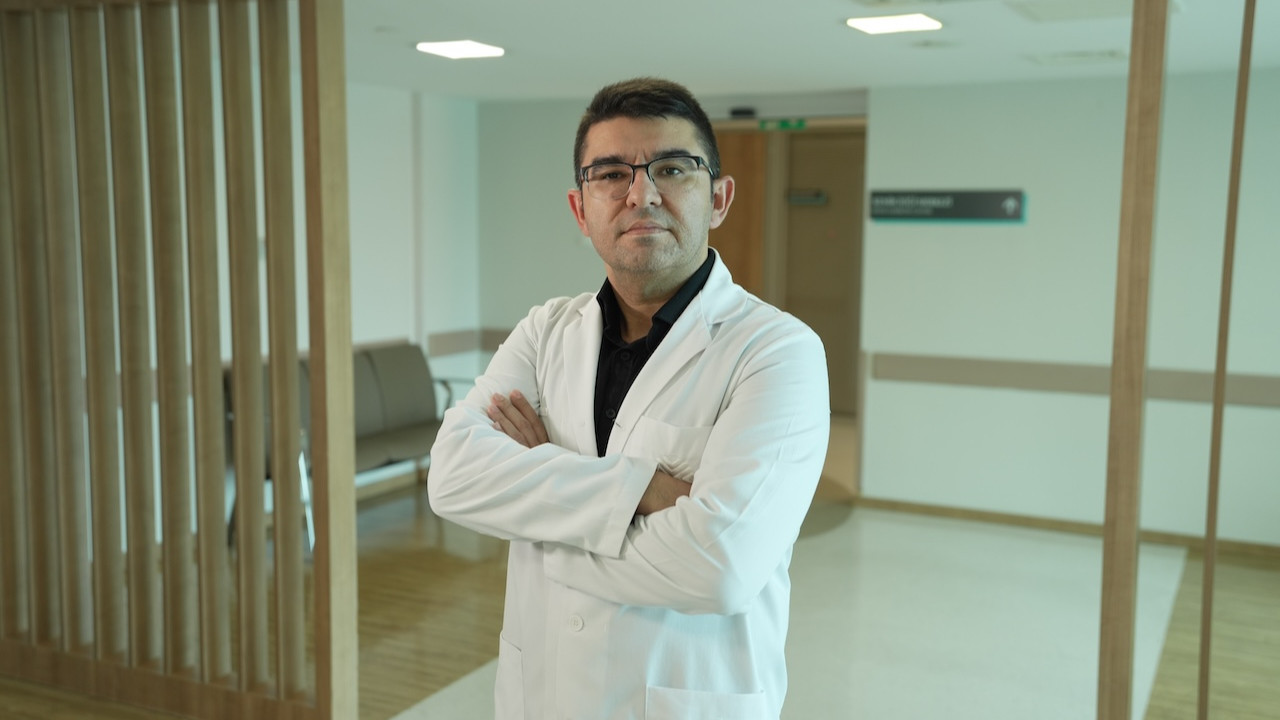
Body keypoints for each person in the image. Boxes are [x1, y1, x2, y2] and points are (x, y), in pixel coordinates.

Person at [428, 77, 830, 720]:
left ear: (718, 198)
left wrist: (536, 514)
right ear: (579, 209)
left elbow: (720, 567)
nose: (641, 193)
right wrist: (643, 488)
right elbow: (451, 477)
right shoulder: (545, 331)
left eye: (672, 168)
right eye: (611, 174)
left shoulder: (777, 351)